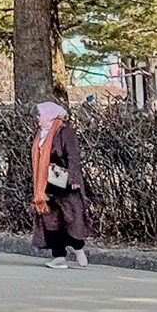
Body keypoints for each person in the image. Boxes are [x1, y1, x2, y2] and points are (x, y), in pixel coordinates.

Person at [30, 101, 91, 269]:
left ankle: (77, 247)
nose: (38, 118)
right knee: (51, 220)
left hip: (63, 183)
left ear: (50, 115)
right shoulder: (41, 134)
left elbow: (73, 156)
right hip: (46, 184)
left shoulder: (64, 131)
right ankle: (59, 257)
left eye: (40, 114)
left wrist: (74, 179)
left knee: (70, 218)